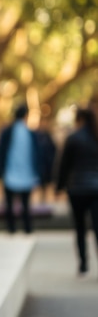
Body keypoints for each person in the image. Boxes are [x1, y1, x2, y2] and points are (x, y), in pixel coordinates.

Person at [55, 107, 98, 276]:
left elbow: (64, 166)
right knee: (97, 228)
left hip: (77, 189)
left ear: (79, 120)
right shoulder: (96, 137)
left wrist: (59, 187)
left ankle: (83, 264)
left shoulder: (73, 138)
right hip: (96, 190)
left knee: (80, 227)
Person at [0, 103, 42, 234]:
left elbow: (0, 153)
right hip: (19, 173)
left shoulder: (12, 132)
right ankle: (25, 228)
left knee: (13, 204)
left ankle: (13, 229)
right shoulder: (26, 133)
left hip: (15, 173)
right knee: (23, 204)